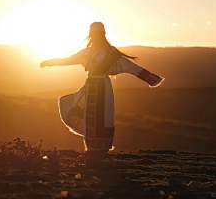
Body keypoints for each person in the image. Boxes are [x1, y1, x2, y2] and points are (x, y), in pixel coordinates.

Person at [40, 22, 165, 162]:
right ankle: (92, 149)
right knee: (90, 116)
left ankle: (99, 150)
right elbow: (69, 60)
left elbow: (132, 67)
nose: (96, 36)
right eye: (95, 34)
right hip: (93, 86)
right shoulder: (94, 52)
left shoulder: (110, 53)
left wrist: (152, 79)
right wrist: (51, 62)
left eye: (98, 34)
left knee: (103, 117)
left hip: (102, 88)